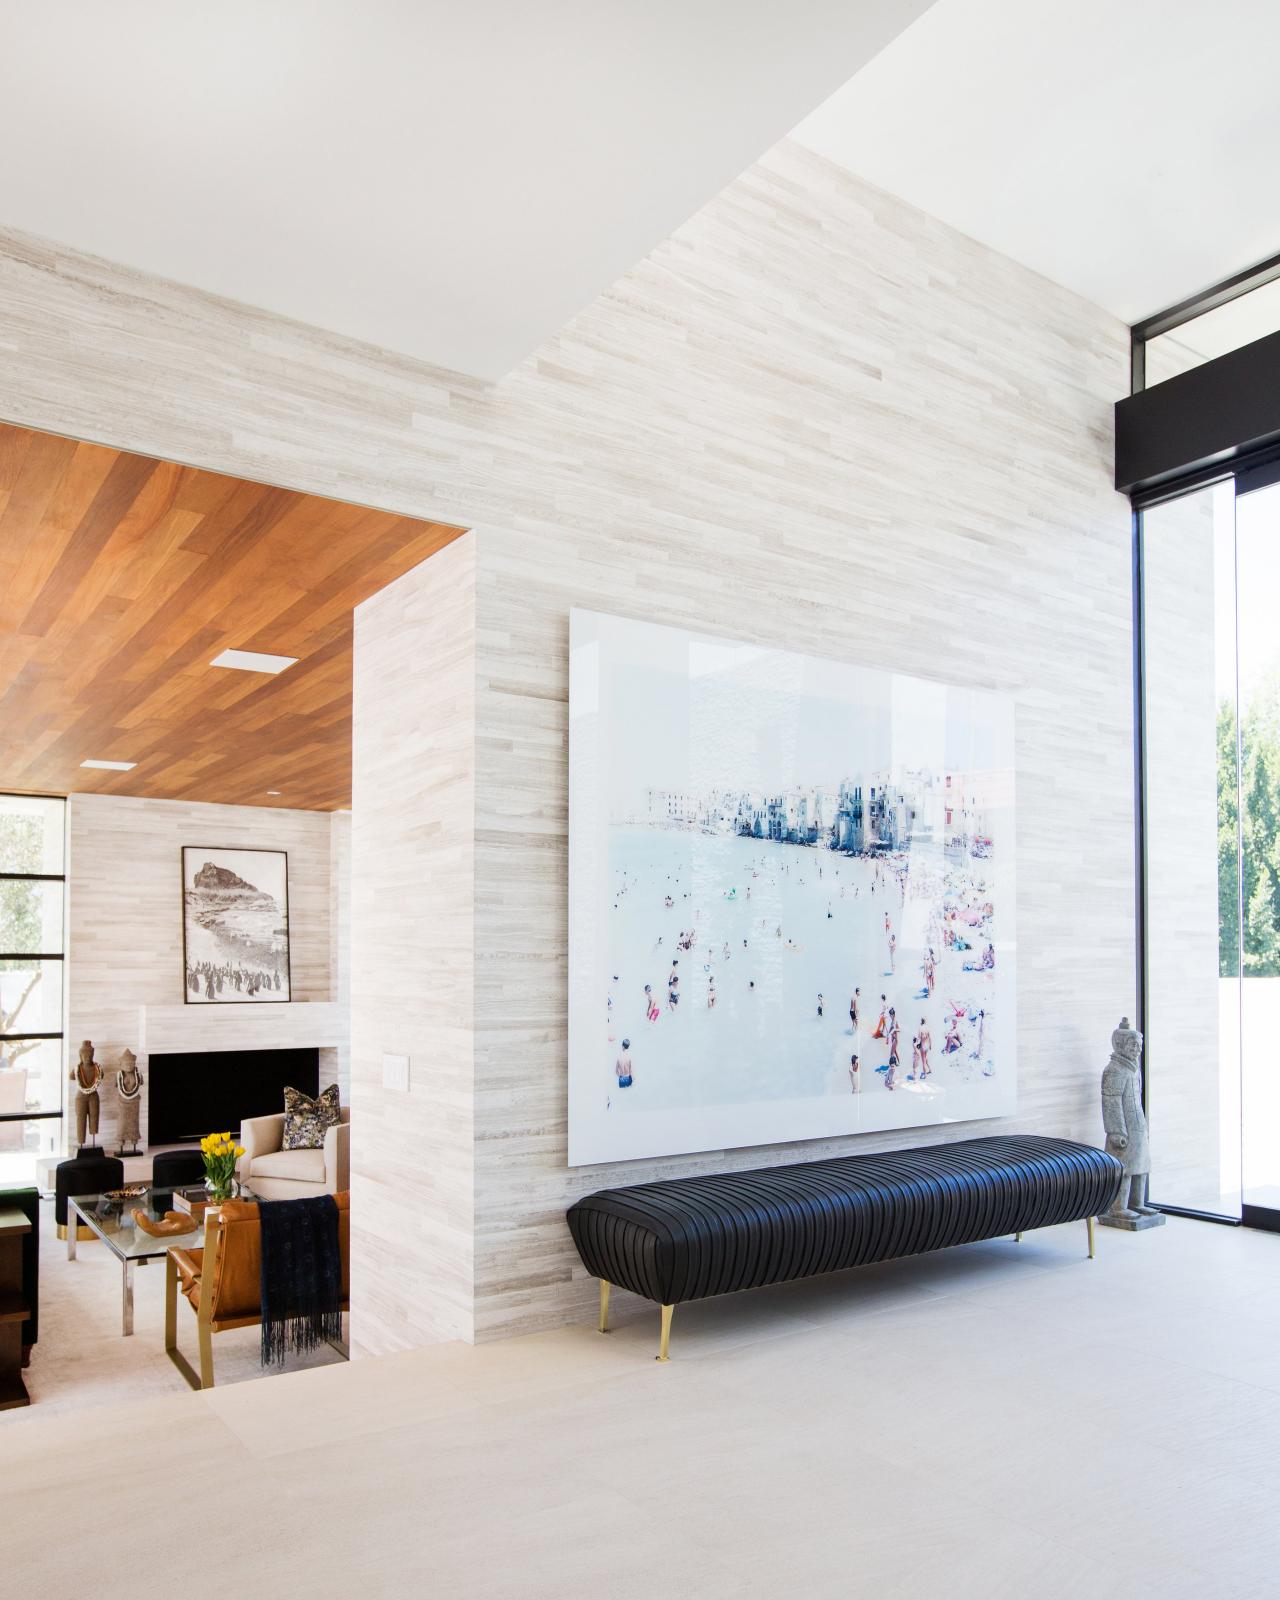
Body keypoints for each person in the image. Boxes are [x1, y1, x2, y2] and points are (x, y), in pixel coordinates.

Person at [886, 1011, 900, 1089]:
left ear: (893, 1014)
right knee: (895, 1051)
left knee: (891, 1054)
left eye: (890, 1015)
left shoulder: (895, 1021)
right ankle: (898, 1062)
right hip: (893, 1039)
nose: (890, 1016)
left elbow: (899, 1029)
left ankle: (892, 1067)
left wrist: (894, 1030)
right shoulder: (892, 1020)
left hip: (895, 1039)